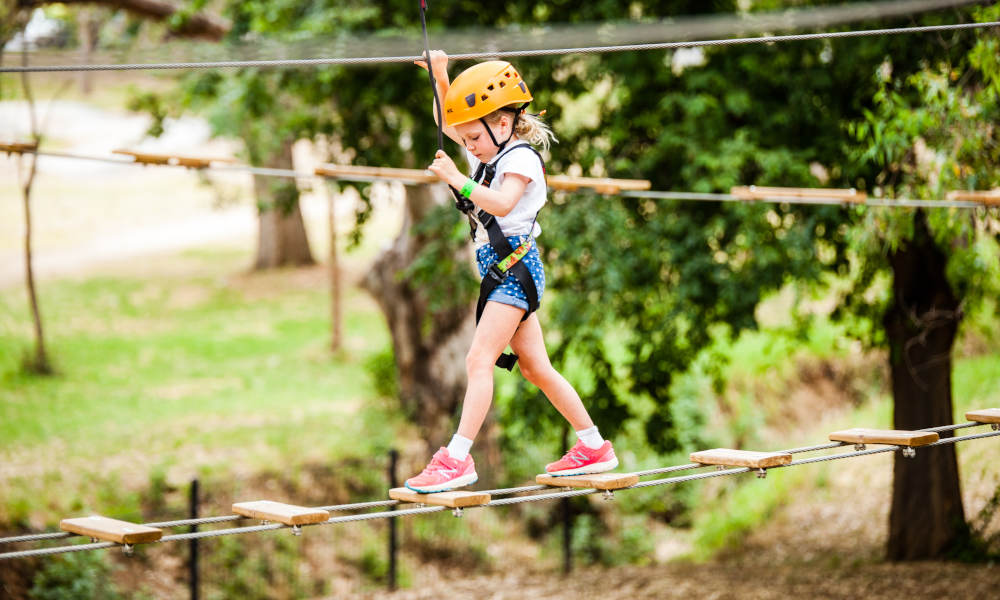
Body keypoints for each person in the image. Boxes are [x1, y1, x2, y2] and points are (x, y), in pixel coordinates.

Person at [403, 51, 618, 493]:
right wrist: (441, 75)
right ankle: (594, 445)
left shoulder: (520, 159)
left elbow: (500, 204)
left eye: (472, 138)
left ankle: (457, 458)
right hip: (505, 271)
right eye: (464, 139)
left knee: (478, 360)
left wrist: (454, 178)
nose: (466, 144)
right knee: (536, 368)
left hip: (515, 270)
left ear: (501, 124)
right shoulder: (487, 153)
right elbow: (449, 121)